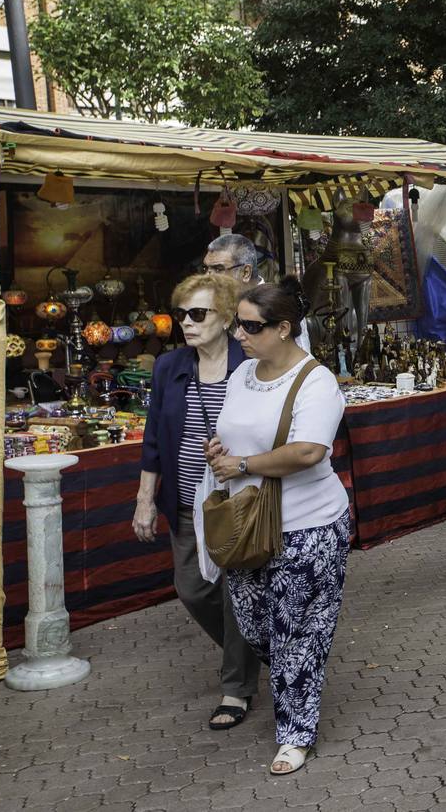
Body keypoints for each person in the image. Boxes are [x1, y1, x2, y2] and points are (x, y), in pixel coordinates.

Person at [203, 278, 351, 775]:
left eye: (251, 326)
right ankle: (294, 676)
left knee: (298, 636)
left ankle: (296, 734)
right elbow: (231, 429)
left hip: (309, 527)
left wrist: (244, 464)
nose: (239, 334)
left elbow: (309, 452)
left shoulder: (316, 380)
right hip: (250, 525)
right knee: (255, 625)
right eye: (237, 324)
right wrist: (220, 453)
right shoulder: (243, 373)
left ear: (284, 329)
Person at [133, 273, 258, 731]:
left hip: (240, 499)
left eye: (198, 314)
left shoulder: (250, 361)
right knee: (194, 590)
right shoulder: (170, 366)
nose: (186, 322)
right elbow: (152, 440)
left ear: (225, 318)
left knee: (234, 594)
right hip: (186, 501)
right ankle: (254, 651)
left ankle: (236, 688)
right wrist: (145, 499)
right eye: (181, 314)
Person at [203, 234, 311, 354]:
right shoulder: (211, 307)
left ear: (245, 273)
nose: (208, 278)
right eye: (206, 269)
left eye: (218, 269)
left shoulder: (280, 303)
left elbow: (299, 363)